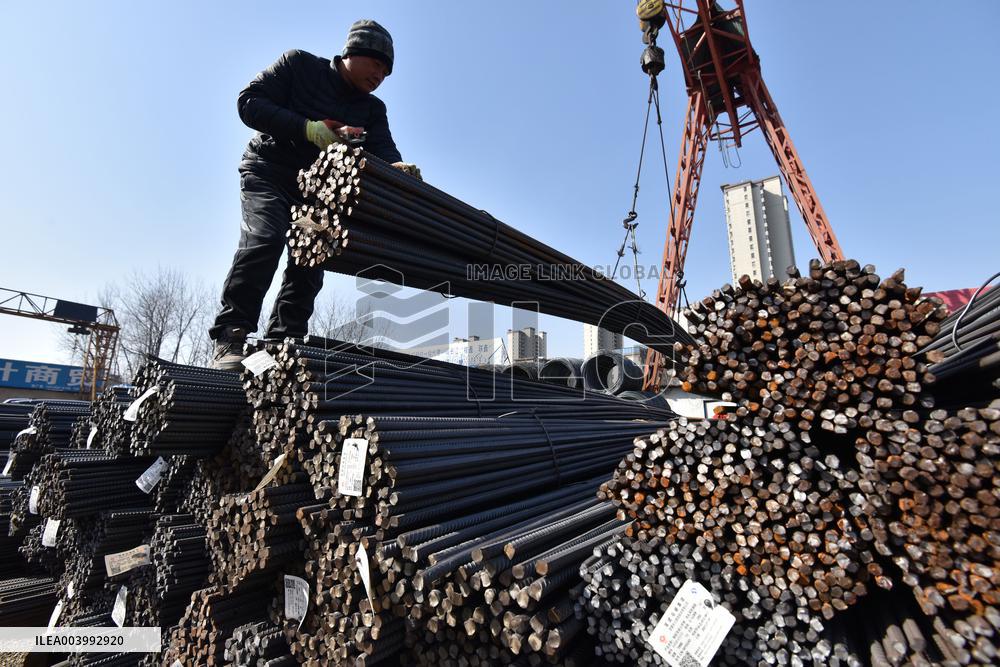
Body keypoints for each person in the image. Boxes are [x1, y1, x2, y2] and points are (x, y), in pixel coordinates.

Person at [209, 19, 420, 370]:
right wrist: (308, 129)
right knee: (265, 239)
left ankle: (281, 343)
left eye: (386, 71)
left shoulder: (372, 110)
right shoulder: (299, 65)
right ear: (353, 53)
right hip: (268, 171)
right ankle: (231, 335)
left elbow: (384, 150)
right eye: (376, 64)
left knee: (311, 261)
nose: (380, 75)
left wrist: (398, 170)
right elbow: (249, 102)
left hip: (316, 192)